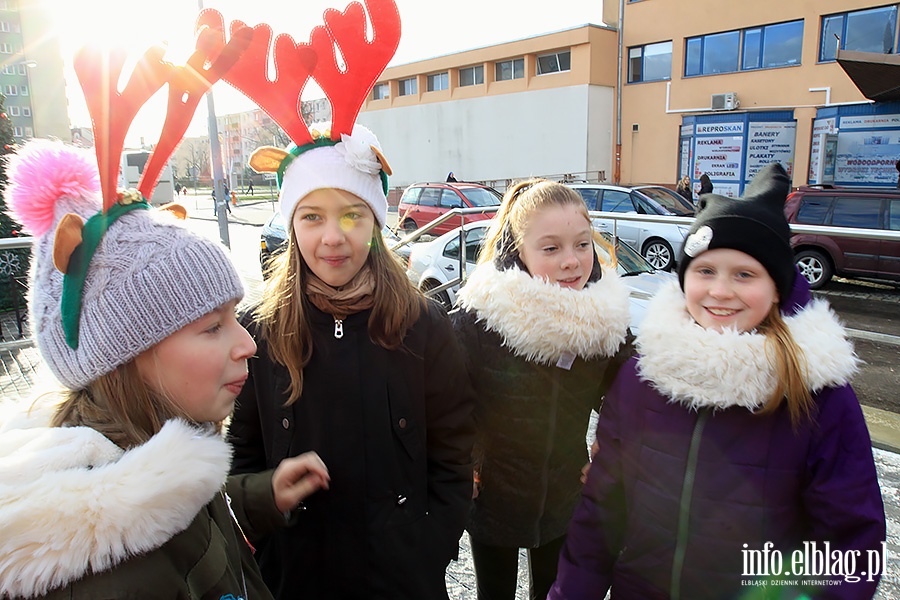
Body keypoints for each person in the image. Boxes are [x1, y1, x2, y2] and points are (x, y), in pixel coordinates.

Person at [0, 139, 330, 599]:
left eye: (235, 317)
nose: (249, 344)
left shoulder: (152, 455)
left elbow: (185, 526)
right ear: (123, 359)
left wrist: (257, 498)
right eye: (213, 327)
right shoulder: (110, 580)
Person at [549, 163, 886, 599]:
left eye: (744, 275)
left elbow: (850, 546)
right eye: (705, 271)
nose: (721, 291)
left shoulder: (816, 394)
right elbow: (600, 514)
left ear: (778, 287)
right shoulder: (645, 375)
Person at [229, 124, 476, 600]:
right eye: (312, 217)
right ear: (291, 224)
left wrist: (428, 547)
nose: (332, 238)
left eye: (351, 216)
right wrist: (265, 523)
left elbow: (453, 450)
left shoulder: (421, 324)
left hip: (400, 578)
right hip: (296, 576)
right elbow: (241, 452)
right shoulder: (260, 329)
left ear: (376, 222)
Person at [450, 178, 634, 600]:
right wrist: (466, 459)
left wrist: (614, 451)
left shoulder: (603, 320)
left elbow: (632, 392)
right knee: (493, 592)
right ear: (518, 251)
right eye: (551, 248)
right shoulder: (482, 316)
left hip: (564, 492)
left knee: (552, 591)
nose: (571, 261)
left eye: (582, 244)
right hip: (493, 491)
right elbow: (449, 397)